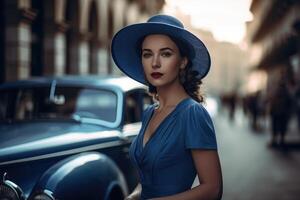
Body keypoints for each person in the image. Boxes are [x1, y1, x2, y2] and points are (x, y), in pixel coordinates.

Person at [111, 14, 222, 200]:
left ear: (183, 61)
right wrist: (133, 196)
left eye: (166, 53)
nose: (155, 63)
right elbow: (147, 180)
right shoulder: (149, 113)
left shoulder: (193, 113)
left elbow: (213, 189)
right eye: (147, 54)